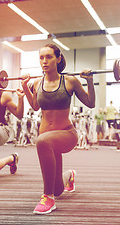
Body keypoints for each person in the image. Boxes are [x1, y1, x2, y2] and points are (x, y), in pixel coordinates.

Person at [21, 43, 95, 214]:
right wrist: (25, 87)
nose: (44, 61)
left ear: (58, 58)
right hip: (47, 139)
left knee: (42, 141)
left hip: (66, 134)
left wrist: (90, 81)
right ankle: (69, 176)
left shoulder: (69, 81)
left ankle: (48, 198)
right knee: (58, 189)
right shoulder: (37, 83)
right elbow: (34, 106)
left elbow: (90, 103)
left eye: (49, 57)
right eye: (41, 57)